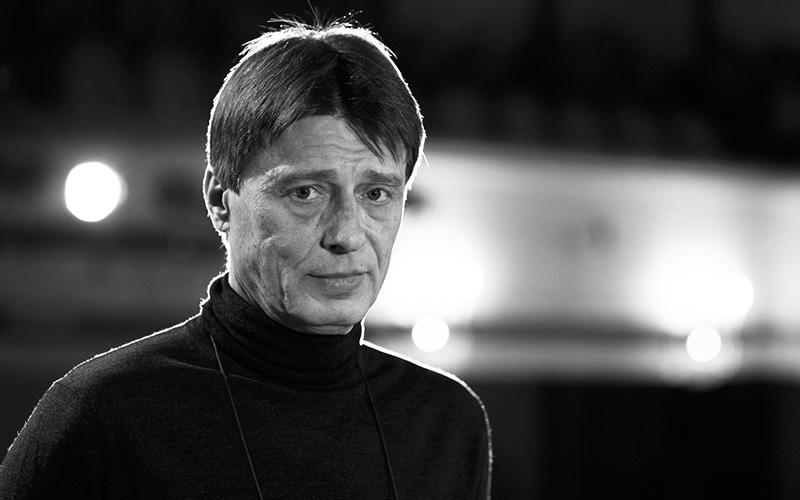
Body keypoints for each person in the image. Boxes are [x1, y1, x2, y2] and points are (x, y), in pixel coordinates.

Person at [0, 17, 492, 499]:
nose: (346, 234)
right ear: (220, 200)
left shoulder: (448, 422)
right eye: (305, 192)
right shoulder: (102, 416)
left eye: (376, 194)